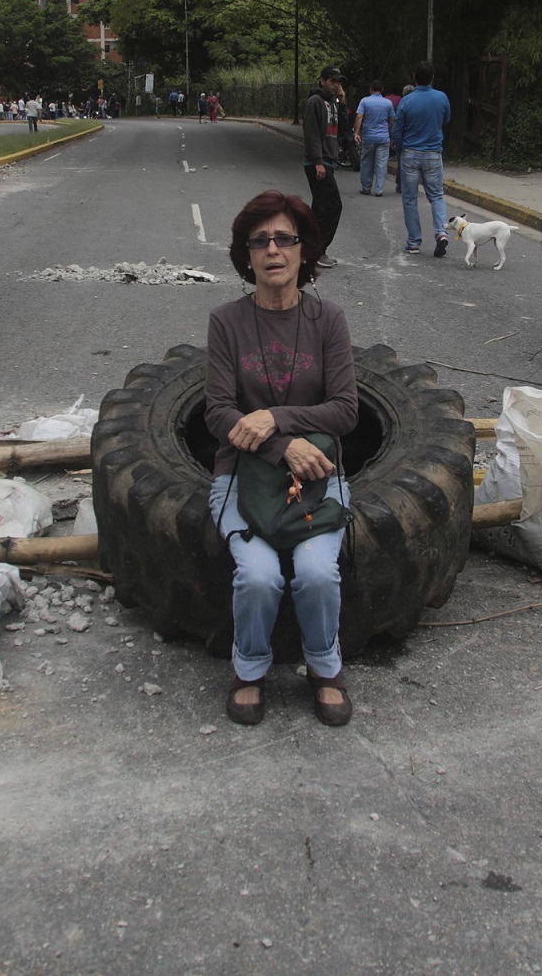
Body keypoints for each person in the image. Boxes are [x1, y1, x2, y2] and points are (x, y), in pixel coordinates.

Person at [204, 190, 358, 727]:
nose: (273, 249)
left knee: (317, 572)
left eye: (285, 238)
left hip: (316, 477)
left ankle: (324, 666)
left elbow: (344, 411)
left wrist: (278, 419)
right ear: (246, 256)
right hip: (242, 477)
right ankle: (249, 669)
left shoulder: (328, 320)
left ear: (303, 251)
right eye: (260, 240)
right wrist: (278, 446)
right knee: (259, 576)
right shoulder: (226, 321)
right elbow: (217, 412)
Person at [396, 61, 452, 257]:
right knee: (436, 195)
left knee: (410, 199)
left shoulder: (406, 101)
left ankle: (414, 242)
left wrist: (400, 148)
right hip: (433, 153)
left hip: (410, 153)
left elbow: (397, 129)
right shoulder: (442, 98)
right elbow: (446, 120)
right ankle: (441, 232)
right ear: (432, 77)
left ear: (414, 77)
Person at [301, 67, 347, 268]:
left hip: (327, 161)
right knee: (333, 206)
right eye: (332, 81)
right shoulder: (315, 102)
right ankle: (318, 251)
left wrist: (343, 104)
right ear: (322, 81)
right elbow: (311, 134)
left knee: (320, 208)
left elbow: (343, 130)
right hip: (317, 163)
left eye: (338, 82)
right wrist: (318, 161)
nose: (336, 85)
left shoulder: (333, 103)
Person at [355, 80, 395, 196]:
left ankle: (366, 187)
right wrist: (391, 135)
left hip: (368, 137)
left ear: (371, 89)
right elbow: (392, 120)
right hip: (383, 138)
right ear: (382, 90)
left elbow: (359, 117)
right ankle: (379, 189)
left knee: (366, 162)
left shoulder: (364, 101)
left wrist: (357, 132)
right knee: (381, 164)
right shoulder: (388, 103)